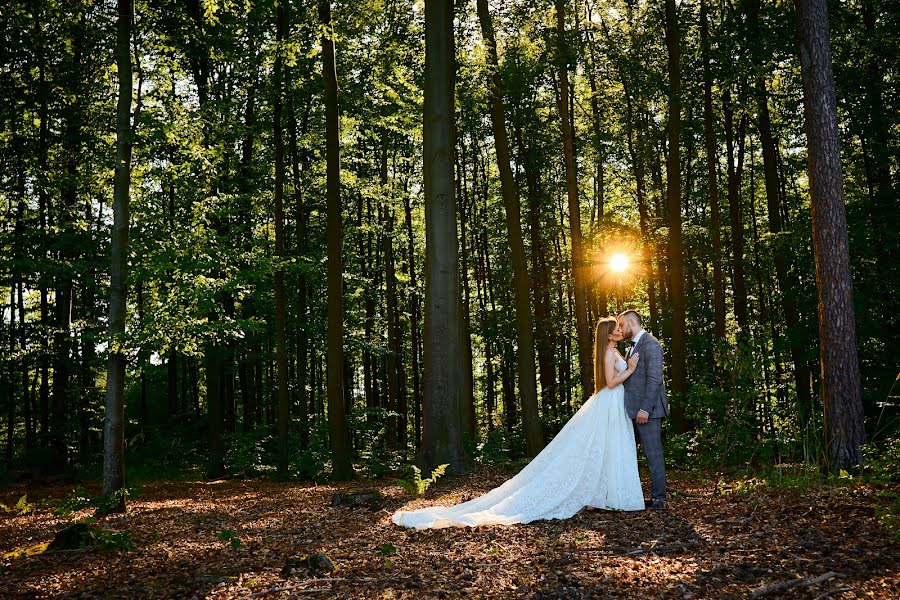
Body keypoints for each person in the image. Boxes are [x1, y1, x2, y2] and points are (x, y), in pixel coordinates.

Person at [392, 317, 644, 530]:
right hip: (609, 401)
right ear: (608, 334)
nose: (621, 330)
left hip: (612, 404)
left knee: (611, 448)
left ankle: (611, 495)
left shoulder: (613, 351)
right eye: (618, 328)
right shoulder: (609, 352)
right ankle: (612, 496)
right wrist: (630, 370)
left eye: (621, 328)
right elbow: (611, 382)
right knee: (602, 447)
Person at [618, 309, 668, 509]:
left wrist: (645, 409)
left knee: (653, 453)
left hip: (649, 411)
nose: (620, 329)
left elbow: (655, 379)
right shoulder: (632, 347)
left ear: (632, 322)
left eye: (622, 325)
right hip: (633, 410)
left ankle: (659, 499)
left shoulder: (652, 344)